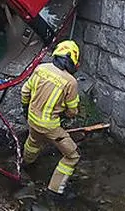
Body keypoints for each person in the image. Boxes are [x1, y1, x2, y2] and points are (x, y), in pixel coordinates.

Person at [21, 40, 82, 205]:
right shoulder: (71, 82)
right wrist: (67, 114)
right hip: (50, 127)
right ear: (73, 61)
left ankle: (26, 165)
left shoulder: (41, 68)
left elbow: (25, 91)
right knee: (72, 155)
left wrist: (26, 109)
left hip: (32, 119)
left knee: (33, 141)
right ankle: (54, 191)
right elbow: (72, 110)